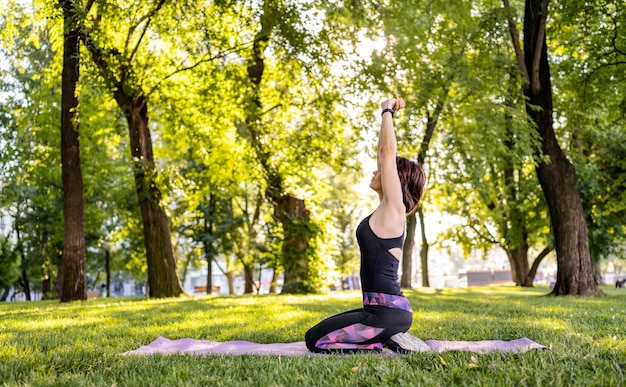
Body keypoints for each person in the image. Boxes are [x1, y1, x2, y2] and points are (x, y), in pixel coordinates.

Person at [305, 97, 428, 353]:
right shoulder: (386, 210)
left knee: (316, 341)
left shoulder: (395, 210)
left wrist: (386, 111)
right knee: (316, 334)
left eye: (383, 170)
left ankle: (381, 348)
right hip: (381, 311)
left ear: (397, 178)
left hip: (387, 314)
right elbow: (383, 155)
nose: (376, 171)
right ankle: (389, 340)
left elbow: (386, 152)